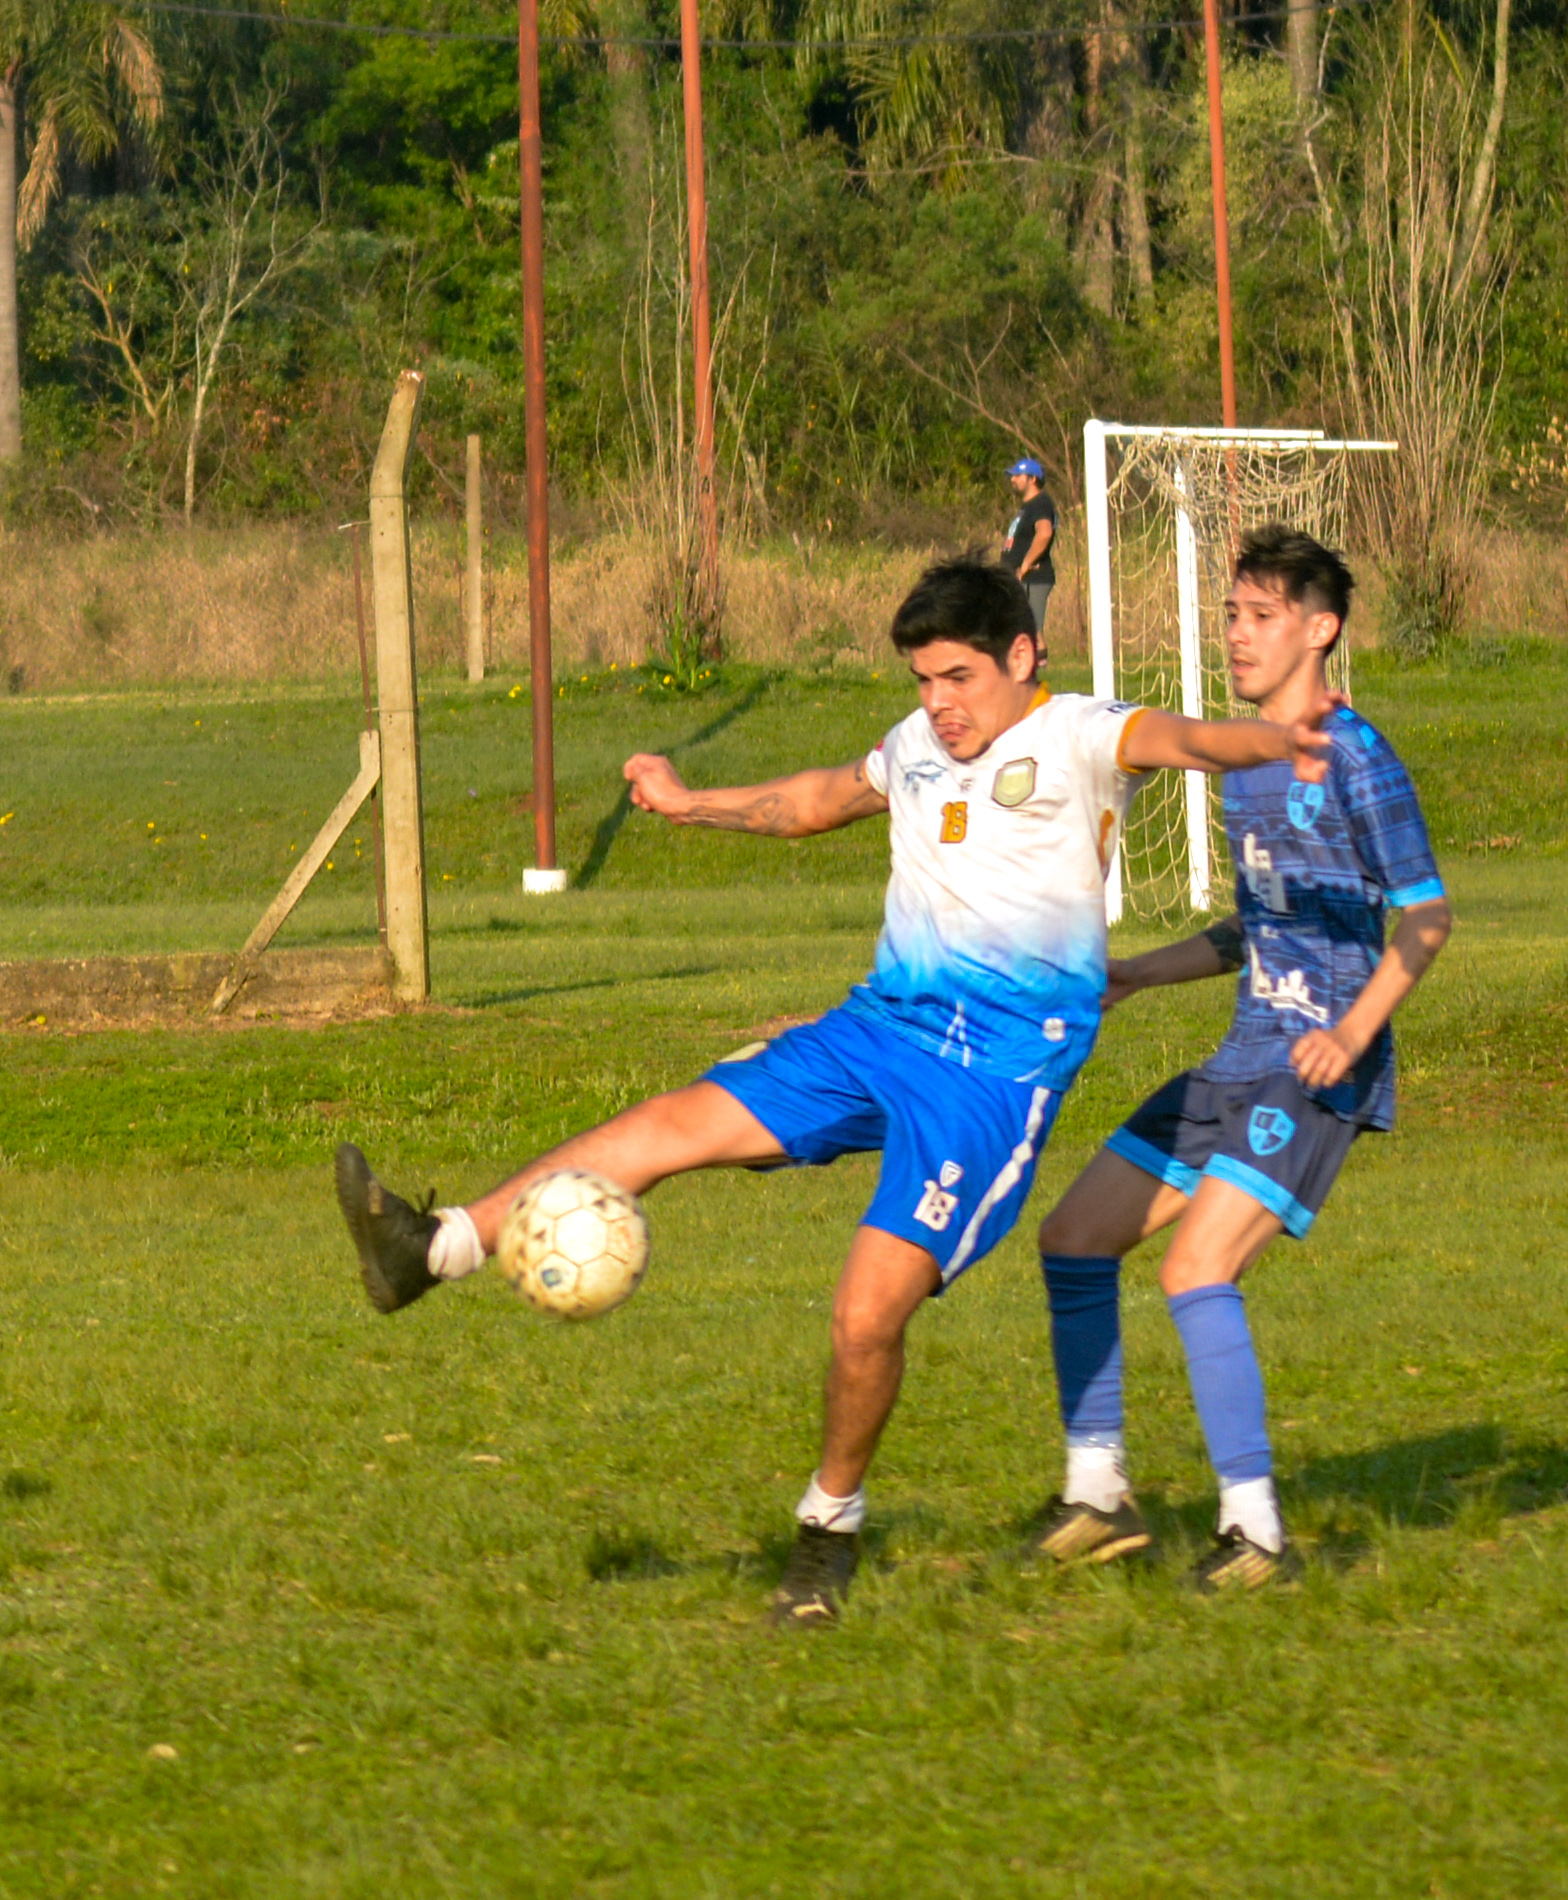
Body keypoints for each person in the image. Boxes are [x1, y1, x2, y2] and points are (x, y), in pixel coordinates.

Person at [334, 557, 1331, 1628]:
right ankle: (433, 1248)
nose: (939, 703)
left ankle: (828, 1530)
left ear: (1021, 656)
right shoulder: (916, 745)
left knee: (863, 1315)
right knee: (665, 1126)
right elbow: (816, 799)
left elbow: (1190, 740)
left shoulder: (1081, 734)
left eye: (958, 677)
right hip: (873, 1032)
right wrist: (689, 803)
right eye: (923, 681)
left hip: (986, 1085)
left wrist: (1278, 740)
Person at [1028, 526, 1453, 1593]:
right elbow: (1251, 928)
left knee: (1194, 1268)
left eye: (1261, 616)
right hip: (1238, 1057)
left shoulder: (1356, 755)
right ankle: (1098, 1492)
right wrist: (1140, 972)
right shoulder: (1243, 766)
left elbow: (1426, 917)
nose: (1237, 634)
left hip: (1314, 1072)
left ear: (1321, 629)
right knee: (1074, 1237)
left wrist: (1350, 1034)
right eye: (1231, 614)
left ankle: (1256, 1534)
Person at [1001, 457, 1058, 660]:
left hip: (1033, 577)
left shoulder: (1040, 503)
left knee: (1031, 627)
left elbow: (1044, 533)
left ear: (1032, 479)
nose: (1013, 479)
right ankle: (1030, 664)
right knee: (1023, 626)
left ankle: (1039, 664)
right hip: (1020, 575)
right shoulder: (1028, 506)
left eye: (1018, 475)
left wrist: (1025, 564)